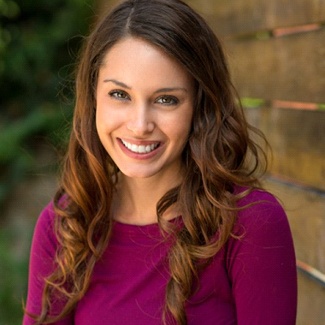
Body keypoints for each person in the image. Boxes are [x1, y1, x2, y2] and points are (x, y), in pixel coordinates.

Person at [23, 0, 297, 324]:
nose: (140, 125)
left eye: (166, 100)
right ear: (93, 96)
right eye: (120, 95)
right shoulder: (65, 226)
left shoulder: (251, 225)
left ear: (200, 105)